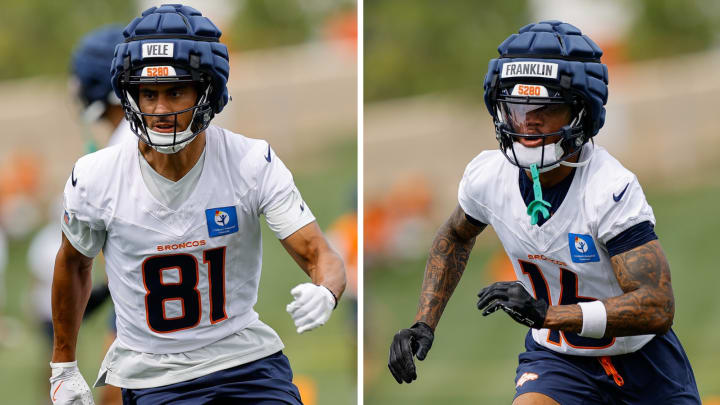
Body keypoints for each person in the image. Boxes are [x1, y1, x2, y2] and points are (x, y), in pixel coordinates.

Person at [388, 20, 700, 404]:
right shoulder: (488, 177)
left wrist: (551, 314)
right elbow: (454, 235)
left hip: (643, 364)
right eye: (517, 107)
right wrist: (424, 321)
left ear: (580, 112)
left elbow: (656, 304)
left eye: (545, 108)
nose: (528, 121)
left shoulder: (608, 189)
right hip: (559, 362)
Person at [50, 4, 346, 405]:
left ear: (208, 89)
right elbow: (72, 261)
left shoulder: (250, 162)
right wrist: (63, 367)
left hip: (247, 364)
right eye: (148, 93)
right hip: (156, 375)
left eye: (175, 91)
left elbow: (319, 252)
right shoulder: (97, 176)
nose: (159, 109)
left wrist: (326, 290)